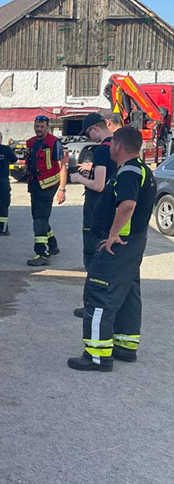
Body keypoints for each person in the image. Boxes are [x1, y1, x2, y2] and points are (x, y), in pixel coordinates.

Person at [67, 125, 156, 372]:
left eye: (112, 144)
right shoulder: (142, 170)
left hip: (117, 245)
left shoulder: (127, 171)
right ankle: (125, 346)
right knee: (128, 293)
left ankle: (97, 356)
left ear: (118, 145)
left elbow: (127, 205)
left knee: (98, 294)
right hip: (133, 244)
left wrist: (112, 235)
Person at [69, 112, 117, 270]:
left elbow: (98, 185)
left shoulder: (101, 151)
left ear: (95, 128)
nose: (89, 137)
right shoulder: (117, 147)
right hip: (111, 205)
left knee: (92, 248)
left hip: (96, 207)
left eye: (88, 132)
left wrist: (78, 178)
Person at [25, 115, 67, 266]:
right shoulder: (31, 143)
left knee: (39, 218)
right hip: (35, 184)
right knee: (39, 217)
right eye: (37, 126)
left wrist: (62, 189)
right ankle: (53, 245)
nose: (39, 129)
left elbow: (62, 167)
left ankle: (41, 253)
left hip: (49, 185)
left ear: (47, 128)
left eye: (42, 127)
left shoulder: (54, 143)